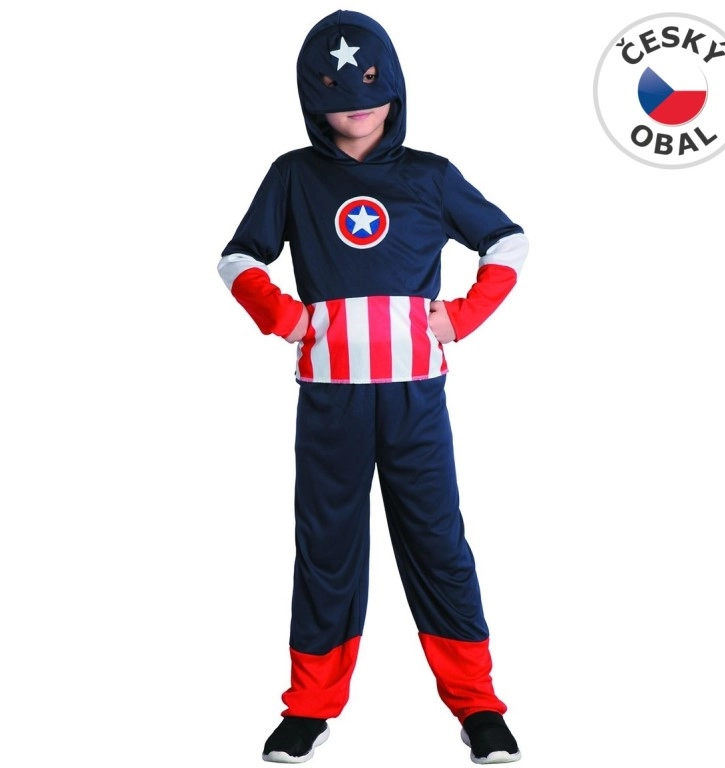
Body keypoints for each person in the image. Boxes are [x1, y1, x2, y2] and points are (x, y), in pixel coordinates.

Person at [217, 10, 528, 765]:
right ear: (311, 97)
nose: (356, 105)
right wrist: (284, 317)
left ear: (394, 89)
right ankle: (309, 707)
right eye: (337, 91)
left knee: (438, 543)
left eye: (369, 86)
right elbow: (237, 258)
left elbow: (508, 240)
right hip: (332, 401)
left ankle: (478, 705)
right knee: (326, 547)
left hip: (415, 399)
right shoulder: (294, 175)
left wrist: (463, 316)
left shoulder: (429, 175)